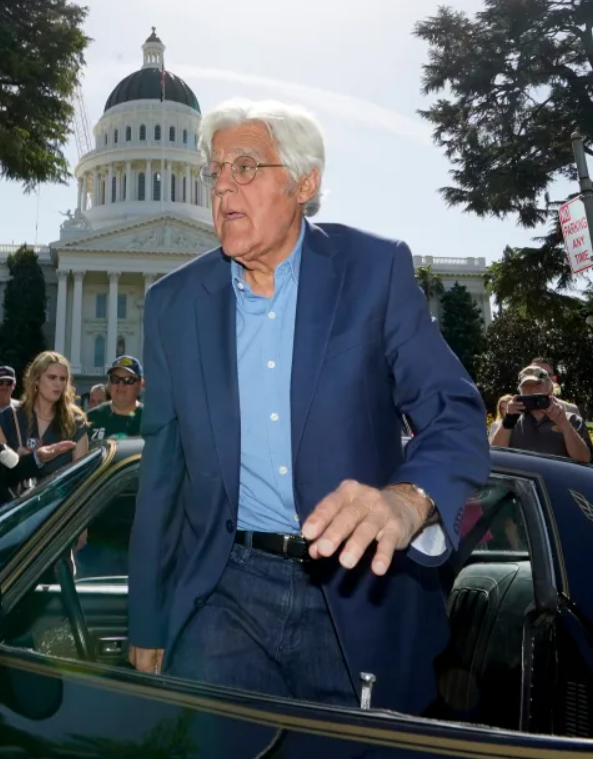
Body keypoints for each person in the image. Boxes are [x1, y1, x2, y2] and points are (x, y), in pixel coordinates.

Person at [128, 99, 490, 714]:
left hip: (356, 589)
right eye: (213, 172)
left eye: (244, 167)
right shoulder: (173, 304)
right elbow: (163, 475)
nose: (221, 187)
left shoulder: (373, 271)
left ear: (304, 182)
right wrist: (147, 621)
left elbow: (454, 411)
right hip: (225, 588)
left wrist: (407, 501)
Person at [0, 351, 87, 486]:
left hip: (61, 504)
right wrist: (17, 460)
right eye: (52, 377)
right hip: (18, 504)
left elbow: (80, 479)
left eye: (62, 379)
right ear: (36, 379)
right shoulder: (9, 418)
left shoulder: (75, 423)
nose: (58, 384)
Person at [490, 368, 592, 462]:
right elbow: (494, 457)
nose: (531, 390)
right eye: (526, 386)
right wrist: (508, 420)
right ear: (520, 392)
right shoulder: (511, 423)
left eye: (537, 384)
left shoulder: (572, 419)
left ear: (550, 388)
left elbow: (584, 459)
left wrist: (564, 424)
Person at [87, 356, 143, 441]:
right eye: (115, 379)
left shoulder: (151, 421)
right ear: (108, 384)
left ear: (140, 384)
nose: (121, 385)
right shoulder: (89, 419)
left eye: (128, 380)